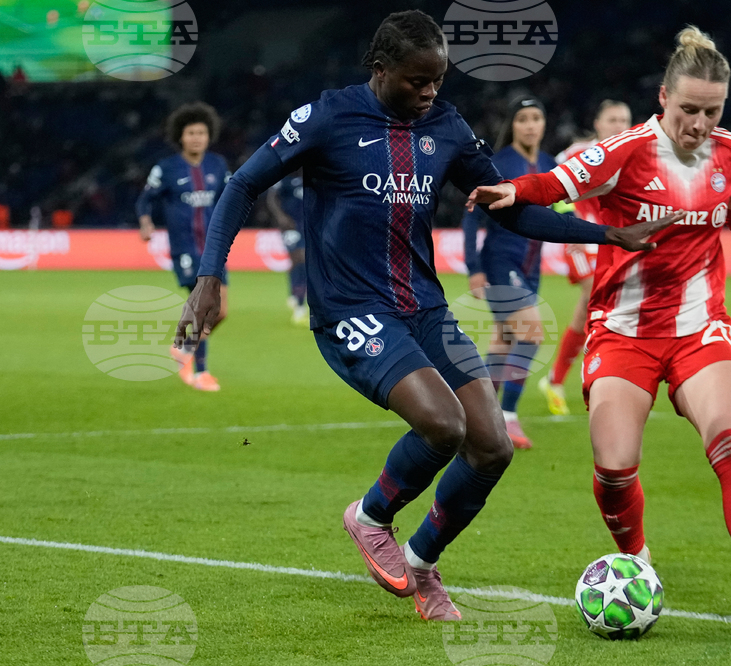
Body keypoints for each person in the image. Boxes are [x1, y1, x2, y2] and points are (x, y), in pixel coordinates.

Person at [173, 10, 681, 622]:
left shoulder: (444, 124)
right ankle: (369, 516)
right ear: (381, 70)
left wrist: (608, 232)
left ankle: (421, 563)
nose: (430, 91)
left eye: (438, 79)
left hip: (424, 308)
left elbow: (508, 208)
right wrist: (208, 277)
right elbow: (241, 185)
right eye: (417, 80)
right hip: (351, 310)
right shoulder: (328, 116)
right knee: (444, 425)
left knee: (492, 446)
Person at [466, 26, 731, 628]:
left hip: (699, 327)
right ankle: (637, 560)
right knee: (614, 465)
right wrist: (512, 189)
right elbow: (556, 185)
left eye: (712, 111)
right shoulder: (627, 150)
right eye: (688, 110)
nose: (700, 124)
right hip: (622, 330)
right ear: (663, 98)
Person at [462, 96, 556, 450]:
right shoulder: (499, 163)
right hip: (501, 261)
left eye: (536, 117)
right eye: (523, 119)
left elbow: (561, 206)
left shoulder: (549, 163)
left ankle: (475, 415)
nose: (530, 125)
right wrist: (474, 268)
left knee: (503, 344)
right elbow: (471, 216)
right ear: (512, 125)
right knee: (531, 333)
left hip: (531, 265)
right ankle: (508, 416)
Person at [538, 100, 633, 416]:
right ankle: (594, 377)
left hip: (615, 238)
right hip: (581, 237)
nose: (619, 125)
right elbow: (554, 182)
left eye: (624, 119)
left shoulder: (635, 152)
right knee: (595, 294)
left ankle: (556, 379)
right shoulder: (579, 153)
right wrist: (570, 220)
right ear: (597, 124)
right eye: (612, 119)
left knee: (589, 311)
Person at [138, 102, 230, 391]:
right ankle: (200, 372)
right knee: (205, 309)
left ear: (208, 135)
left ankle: (184, 347)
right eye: (191, 132)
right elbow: (145, 200)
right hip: (186, 249)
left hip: (215, 249)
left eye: (201, 132)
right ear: (181, 136)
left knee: (222, 311)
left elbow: (230, 199)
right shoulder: (165, 168)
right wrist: (145, 222)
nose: (196, 138)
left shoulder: (218, 165)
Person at [266, 171, 308, 327]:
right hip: (290, 226)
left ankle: (295, 291)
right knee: (300, 258)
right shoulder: (285, 178)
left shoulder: (315, 175)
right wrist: (280, 217)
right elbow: (272, 198)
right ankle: (299, 305)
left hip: (309, 226)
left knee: (301, 263)